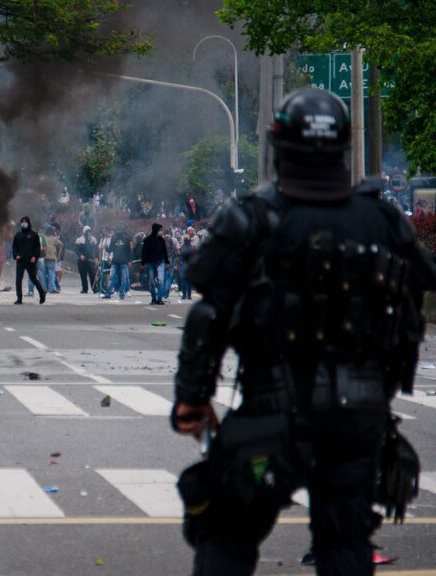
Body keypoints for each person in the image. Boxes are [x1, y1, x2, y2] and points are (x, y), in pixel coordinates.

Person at [171, 89, 436, 576]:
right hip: (359, 417)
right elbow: (423, 283)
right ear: (342, 147)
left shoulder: (253, 218)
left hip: (274, 411)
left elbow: (209, 313)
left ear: (278, 146)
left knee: (226, 534)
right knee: (345, 545)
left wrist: (193, 395)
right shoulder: (381, 221)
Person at [12, 216, 46, 305]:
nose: (24, 224)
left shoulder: (34, 235)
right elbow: (14, 247)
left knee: (33, 278)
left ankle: (42, 294)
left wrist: (35, 256)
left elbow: (37, 248)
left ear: (28, 223)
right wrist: (16, 255)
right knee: (18, 279)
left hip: (31, 261)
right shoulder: (18, 235)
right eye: (22, 222)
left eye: (25, 222)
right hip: (20, 261)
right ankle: (19, 298)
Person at [140, 222, 169, 305]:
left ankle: (159, 299)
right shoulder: (147, 240)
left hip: (160, 262)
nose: (161, 231)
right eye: (160, 230)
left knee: (160, 280)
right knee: (151, 282)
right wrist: (143, 264)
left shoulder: (161, 240)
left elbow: (164, 251)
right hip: (150, 263)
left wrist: (167, 262)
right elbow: (144, 252)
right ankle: (153, 298)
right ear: (156, 229)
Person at [105, 227, 132, 300]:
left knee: (115, 278)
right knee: (121, 279)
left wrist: (129, 260)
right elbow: (129, 251)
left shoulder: (115, 238)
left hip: (119, 261)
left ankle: (112, 293)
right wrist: (129, 260)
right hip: (118, 261)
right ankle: (120, 294)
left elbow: (110, 249)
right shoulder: (123, 238)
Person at [75, 225, 97, 294]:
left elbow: (96, 249)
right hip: (81, 261)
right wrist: (80, 255)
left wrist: (96, 257)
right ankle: (84, 289)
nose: (88, 233)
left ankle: (94, 288)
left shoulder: (93, 239)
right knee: (83, 275)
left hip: (90, 260)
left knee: (92, 275)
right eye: (87, 231)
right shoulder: (79, 240)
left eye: (90, 231)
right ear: (84, 232)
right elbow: (76, 249)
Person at [42, 226, 62, 293]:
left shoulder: (43, 238)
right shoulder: (54, 239)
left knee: (44, 274)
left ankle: (44, 288)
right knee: (52, 274)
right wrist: (58, 255)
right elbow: (61, 245)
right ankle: (52, 288)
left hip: (44, 257)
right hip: (52, 258)